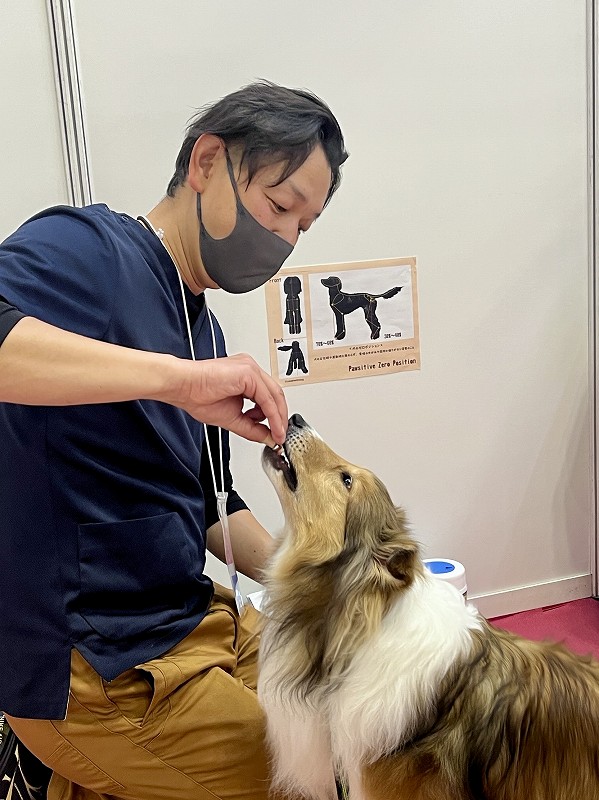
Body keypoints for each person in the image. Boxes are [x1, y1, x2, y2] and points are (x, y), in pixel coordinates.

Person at [0, 80, 348, 800]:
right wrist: (176, 381)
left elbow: (209, 502)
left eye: (302, 228)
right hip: (98, 666)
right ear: (206, 162)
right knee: (319, 780)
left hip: (191, 621)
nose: (284, 240)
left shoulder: (203, 330)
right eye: (278, 206)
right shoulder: (89, 250)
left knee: (359, 715)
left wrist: (316, 580)